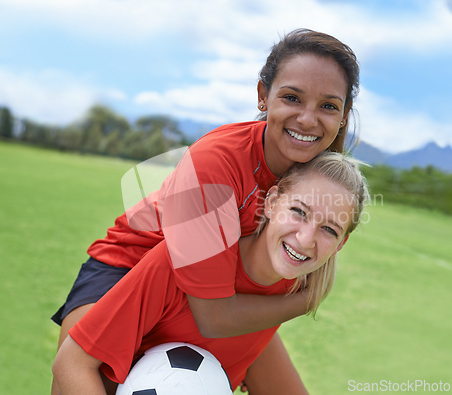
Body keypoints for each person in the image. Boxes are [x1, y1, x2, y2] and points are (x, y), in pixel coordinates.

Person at [51, 28, 360, 394]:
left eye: (328, 105)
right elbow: (213, 317)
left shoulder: (317, 180)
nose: (308, 119)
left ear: (343, 116)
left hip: (221, 289)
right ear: (263, 96)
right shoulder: (216, 163)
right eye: (292, 97)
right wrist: (303, 301)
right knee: (80, 374)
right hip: (133, 268)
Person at [52, 152, 370, 394]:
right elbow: (71, 364)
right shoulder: (186, 260)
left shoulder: (295, 288)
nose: (305, 239)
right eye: (298, 211)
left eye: (329, 229)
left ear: (341, 244)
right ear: (272, 202)